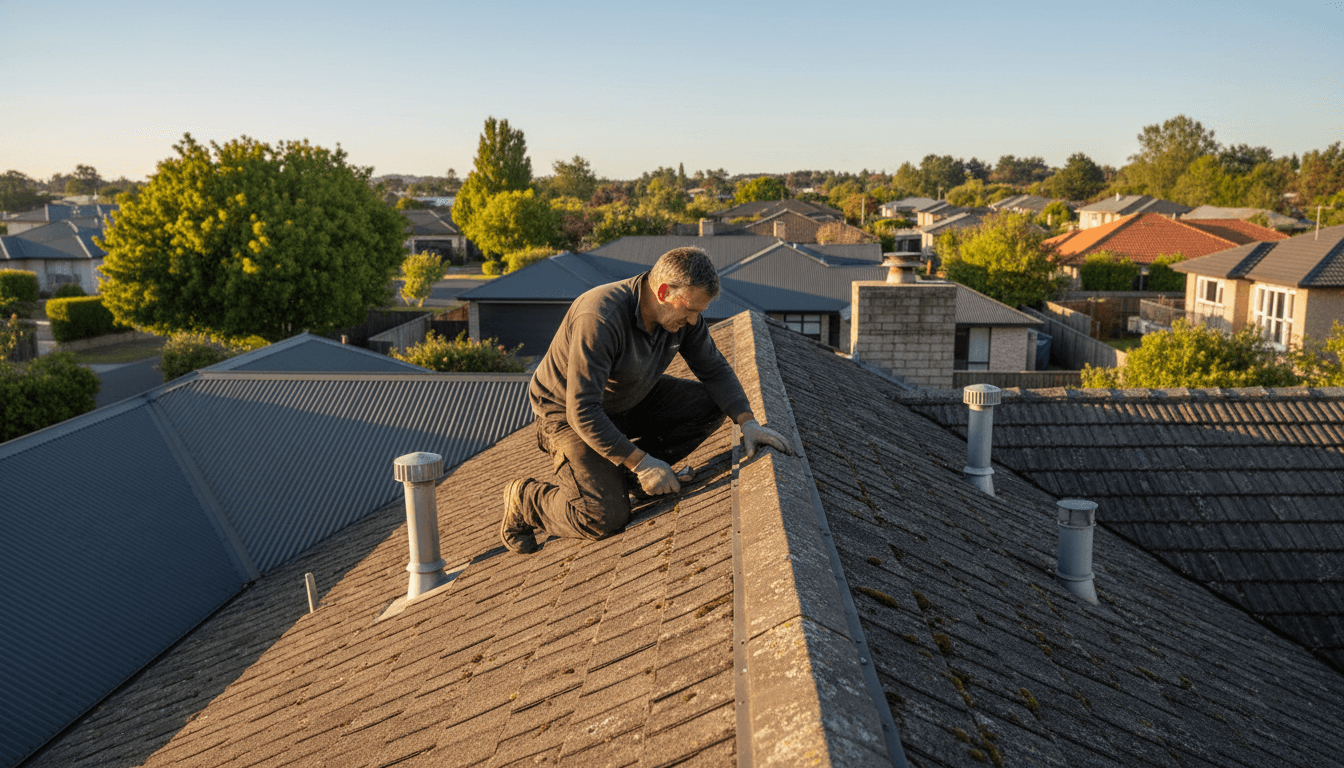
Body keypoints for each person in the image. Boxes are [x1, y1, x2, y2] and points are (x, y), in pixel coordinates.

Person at [499, 246, 792, 553]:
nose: (693, 321)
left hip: (629, 396)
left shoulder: (682, 316)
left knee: (711, 406)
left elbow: (714, 369)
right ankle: (526, 499)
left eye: (699, 313)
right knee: (603, 517)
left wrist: (748, 422)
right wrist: (642, 462)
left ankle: (626, 481)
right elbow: (582, 410)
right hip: (566, 415)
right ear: (664, 291)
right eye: (690, 310)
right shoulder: (600, 316)